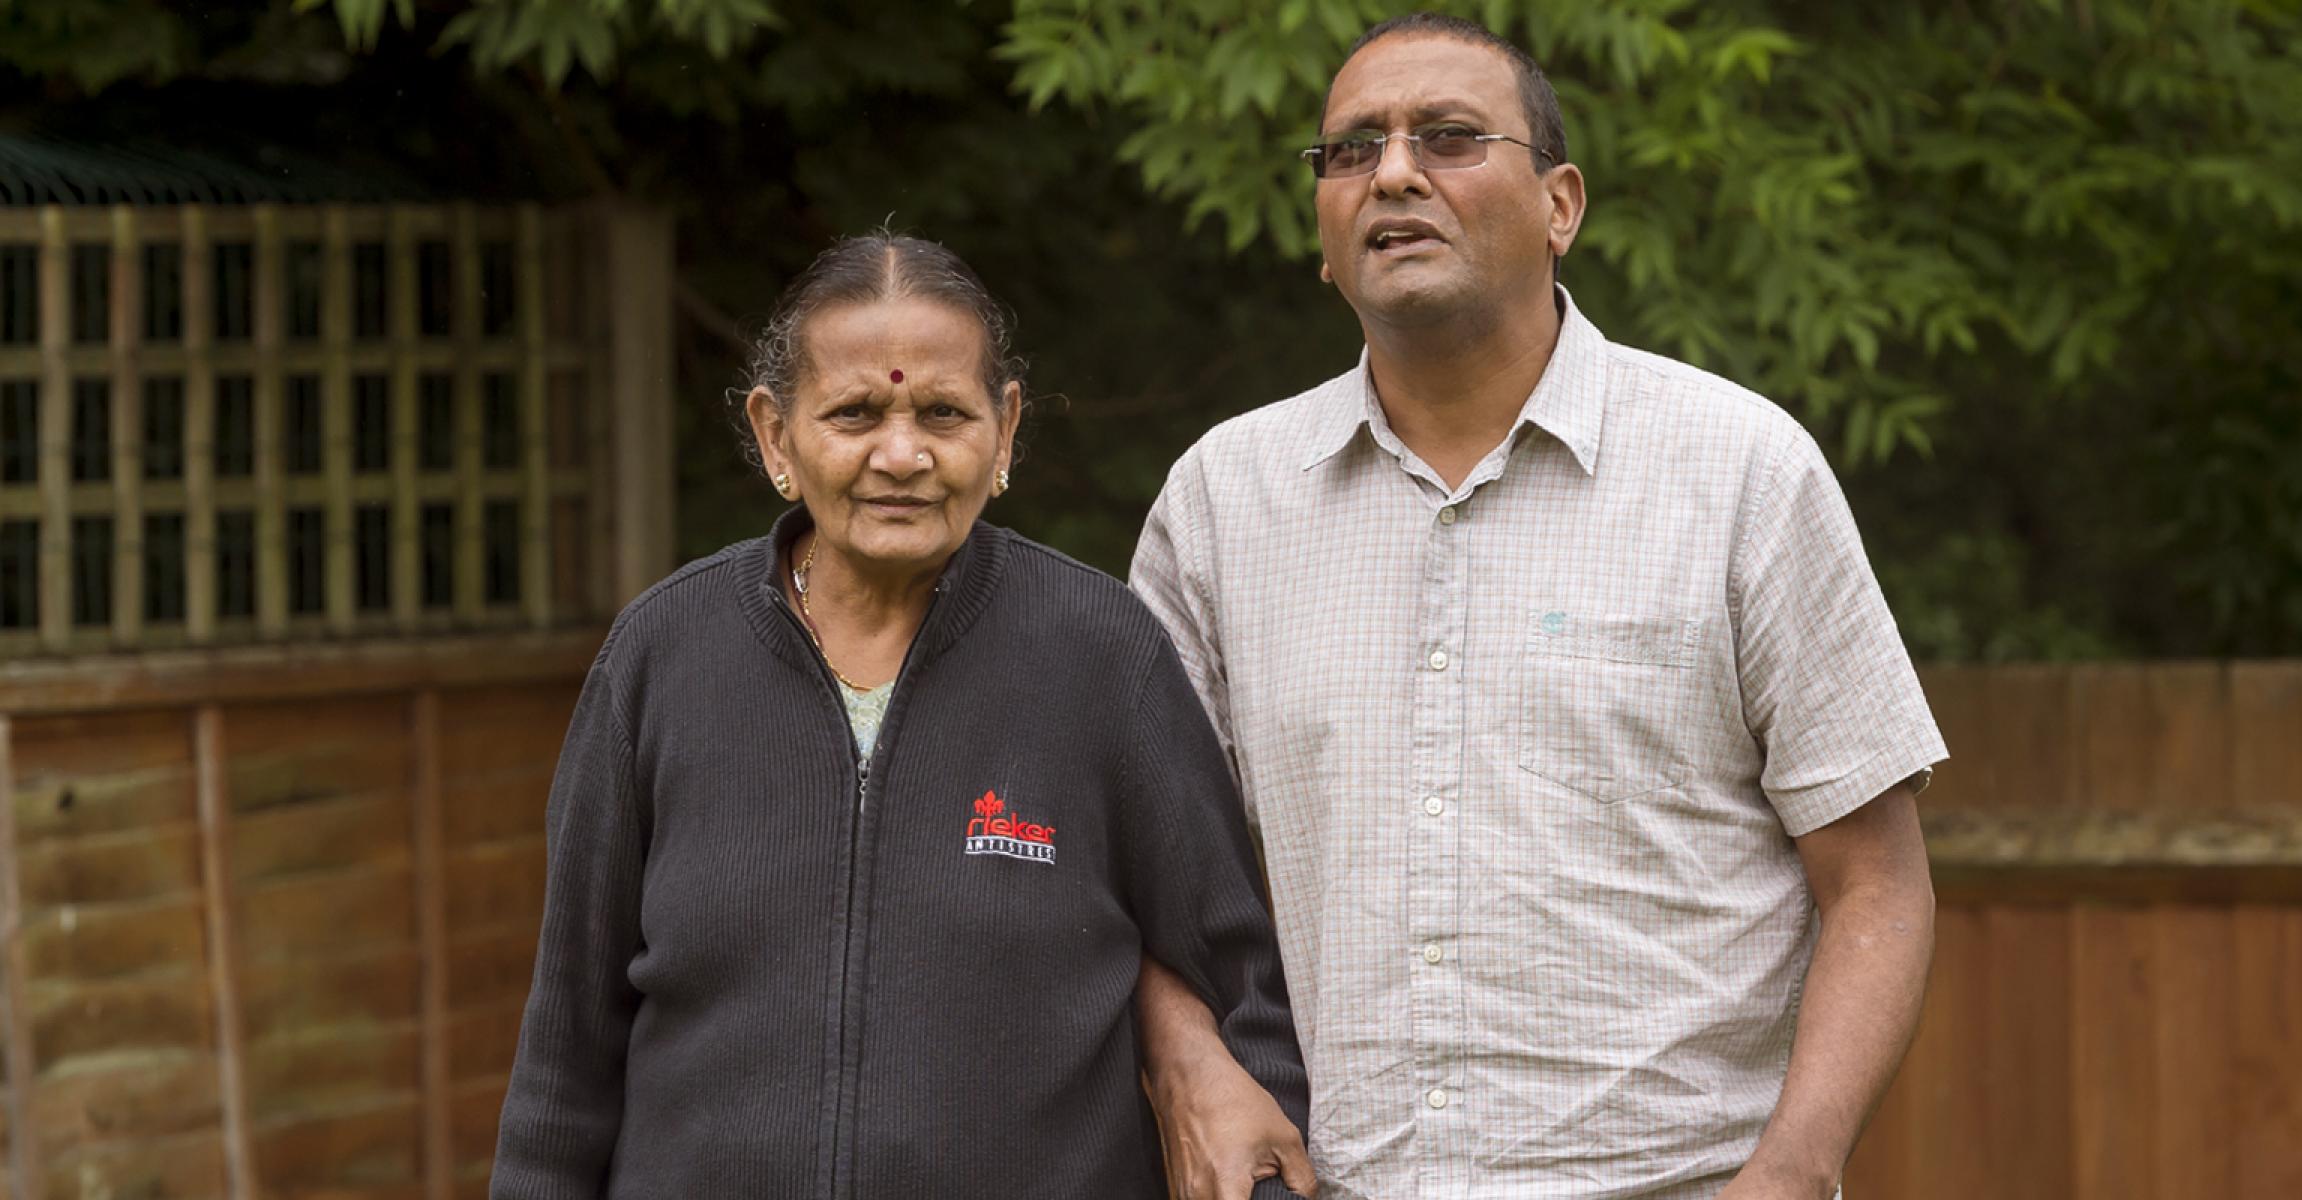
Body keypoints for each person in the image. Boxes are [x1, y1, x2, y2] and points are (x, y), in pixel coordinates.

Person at [1127, 13, 1948, 1200]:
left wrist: (1797, 1167)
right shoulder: (1222, 501)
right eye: (1351, 151)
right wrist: (1191, 1063)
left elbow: (1877, 886)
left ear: (1561, 204)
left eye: (1449, 138)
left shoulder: (1739, 472)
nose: (1393, 172)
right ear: (1322, 231)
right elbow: (1134, 870)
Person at [490, 232, 1312, 1199]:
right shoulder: (660, 659)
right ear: (774, 435)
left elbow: (1243, 999)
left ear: (1005, 432)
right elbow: (565, 1062)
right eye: (854, 413)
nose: (902, 453)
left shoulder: (1101, 656)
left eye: (943, 412)